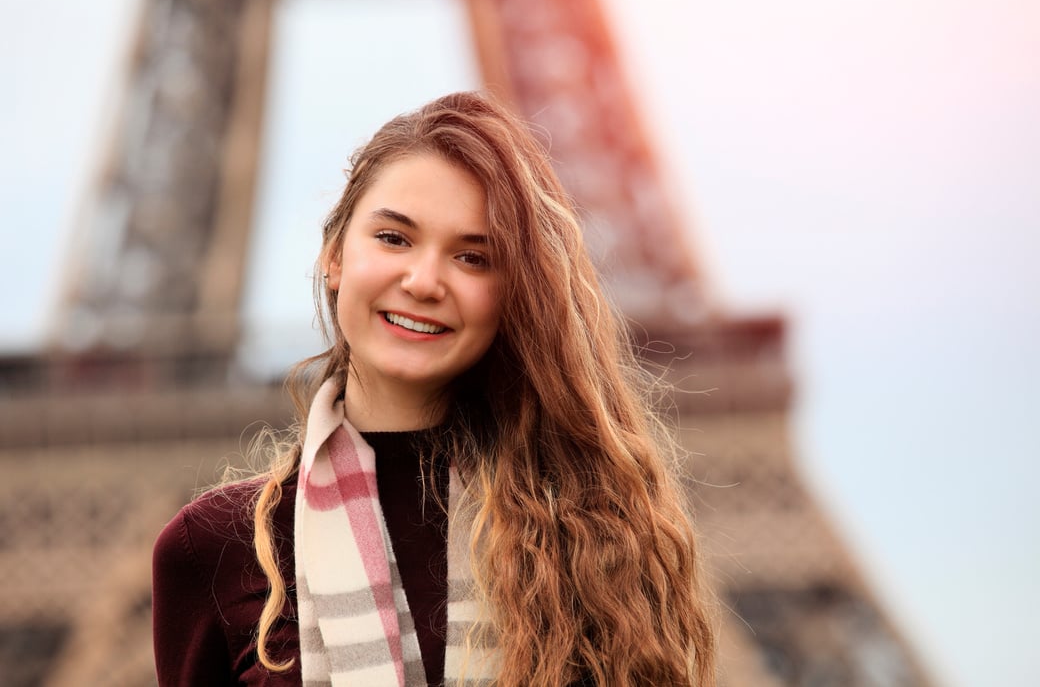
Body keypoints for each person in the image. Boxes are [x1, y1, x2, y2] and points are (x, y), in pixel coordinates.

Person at [152, 91, 716, 686]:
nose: (423, 282)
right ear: (334, 254)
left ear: (513, 292)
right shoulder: (213, 549)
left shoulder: (598, 537)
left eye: (473, 257)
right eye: (394, 239)